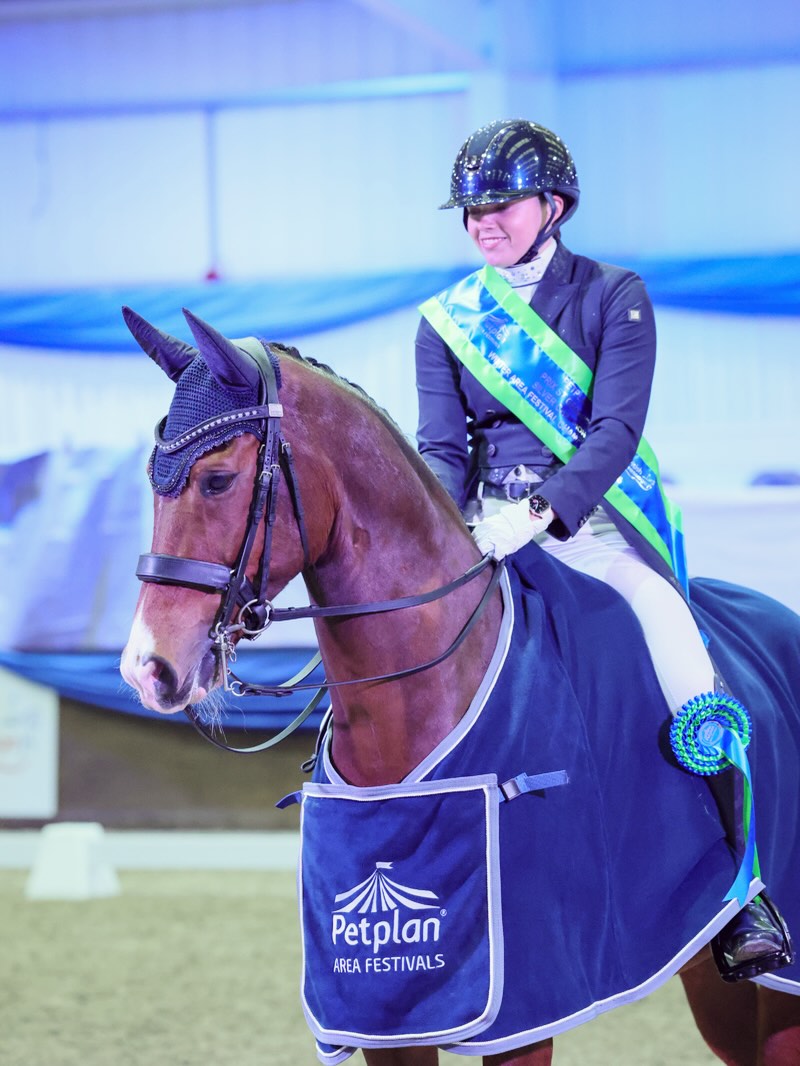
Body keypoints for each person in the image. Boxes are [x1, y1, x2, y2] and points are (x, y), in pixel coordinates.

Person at [414, 117, 792, 981]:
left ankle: (742, 892)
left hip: (593, 530)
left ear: (553, 205)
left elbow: (617, 429)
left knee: (683, 665)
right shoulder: (445, 321)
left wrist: (542, 512)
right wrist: (450, 522)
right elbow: (442, 447)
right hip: (483, 534)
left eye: (500, 204)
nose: (483, 222)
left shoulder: (611, 294)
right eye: (471, 209)